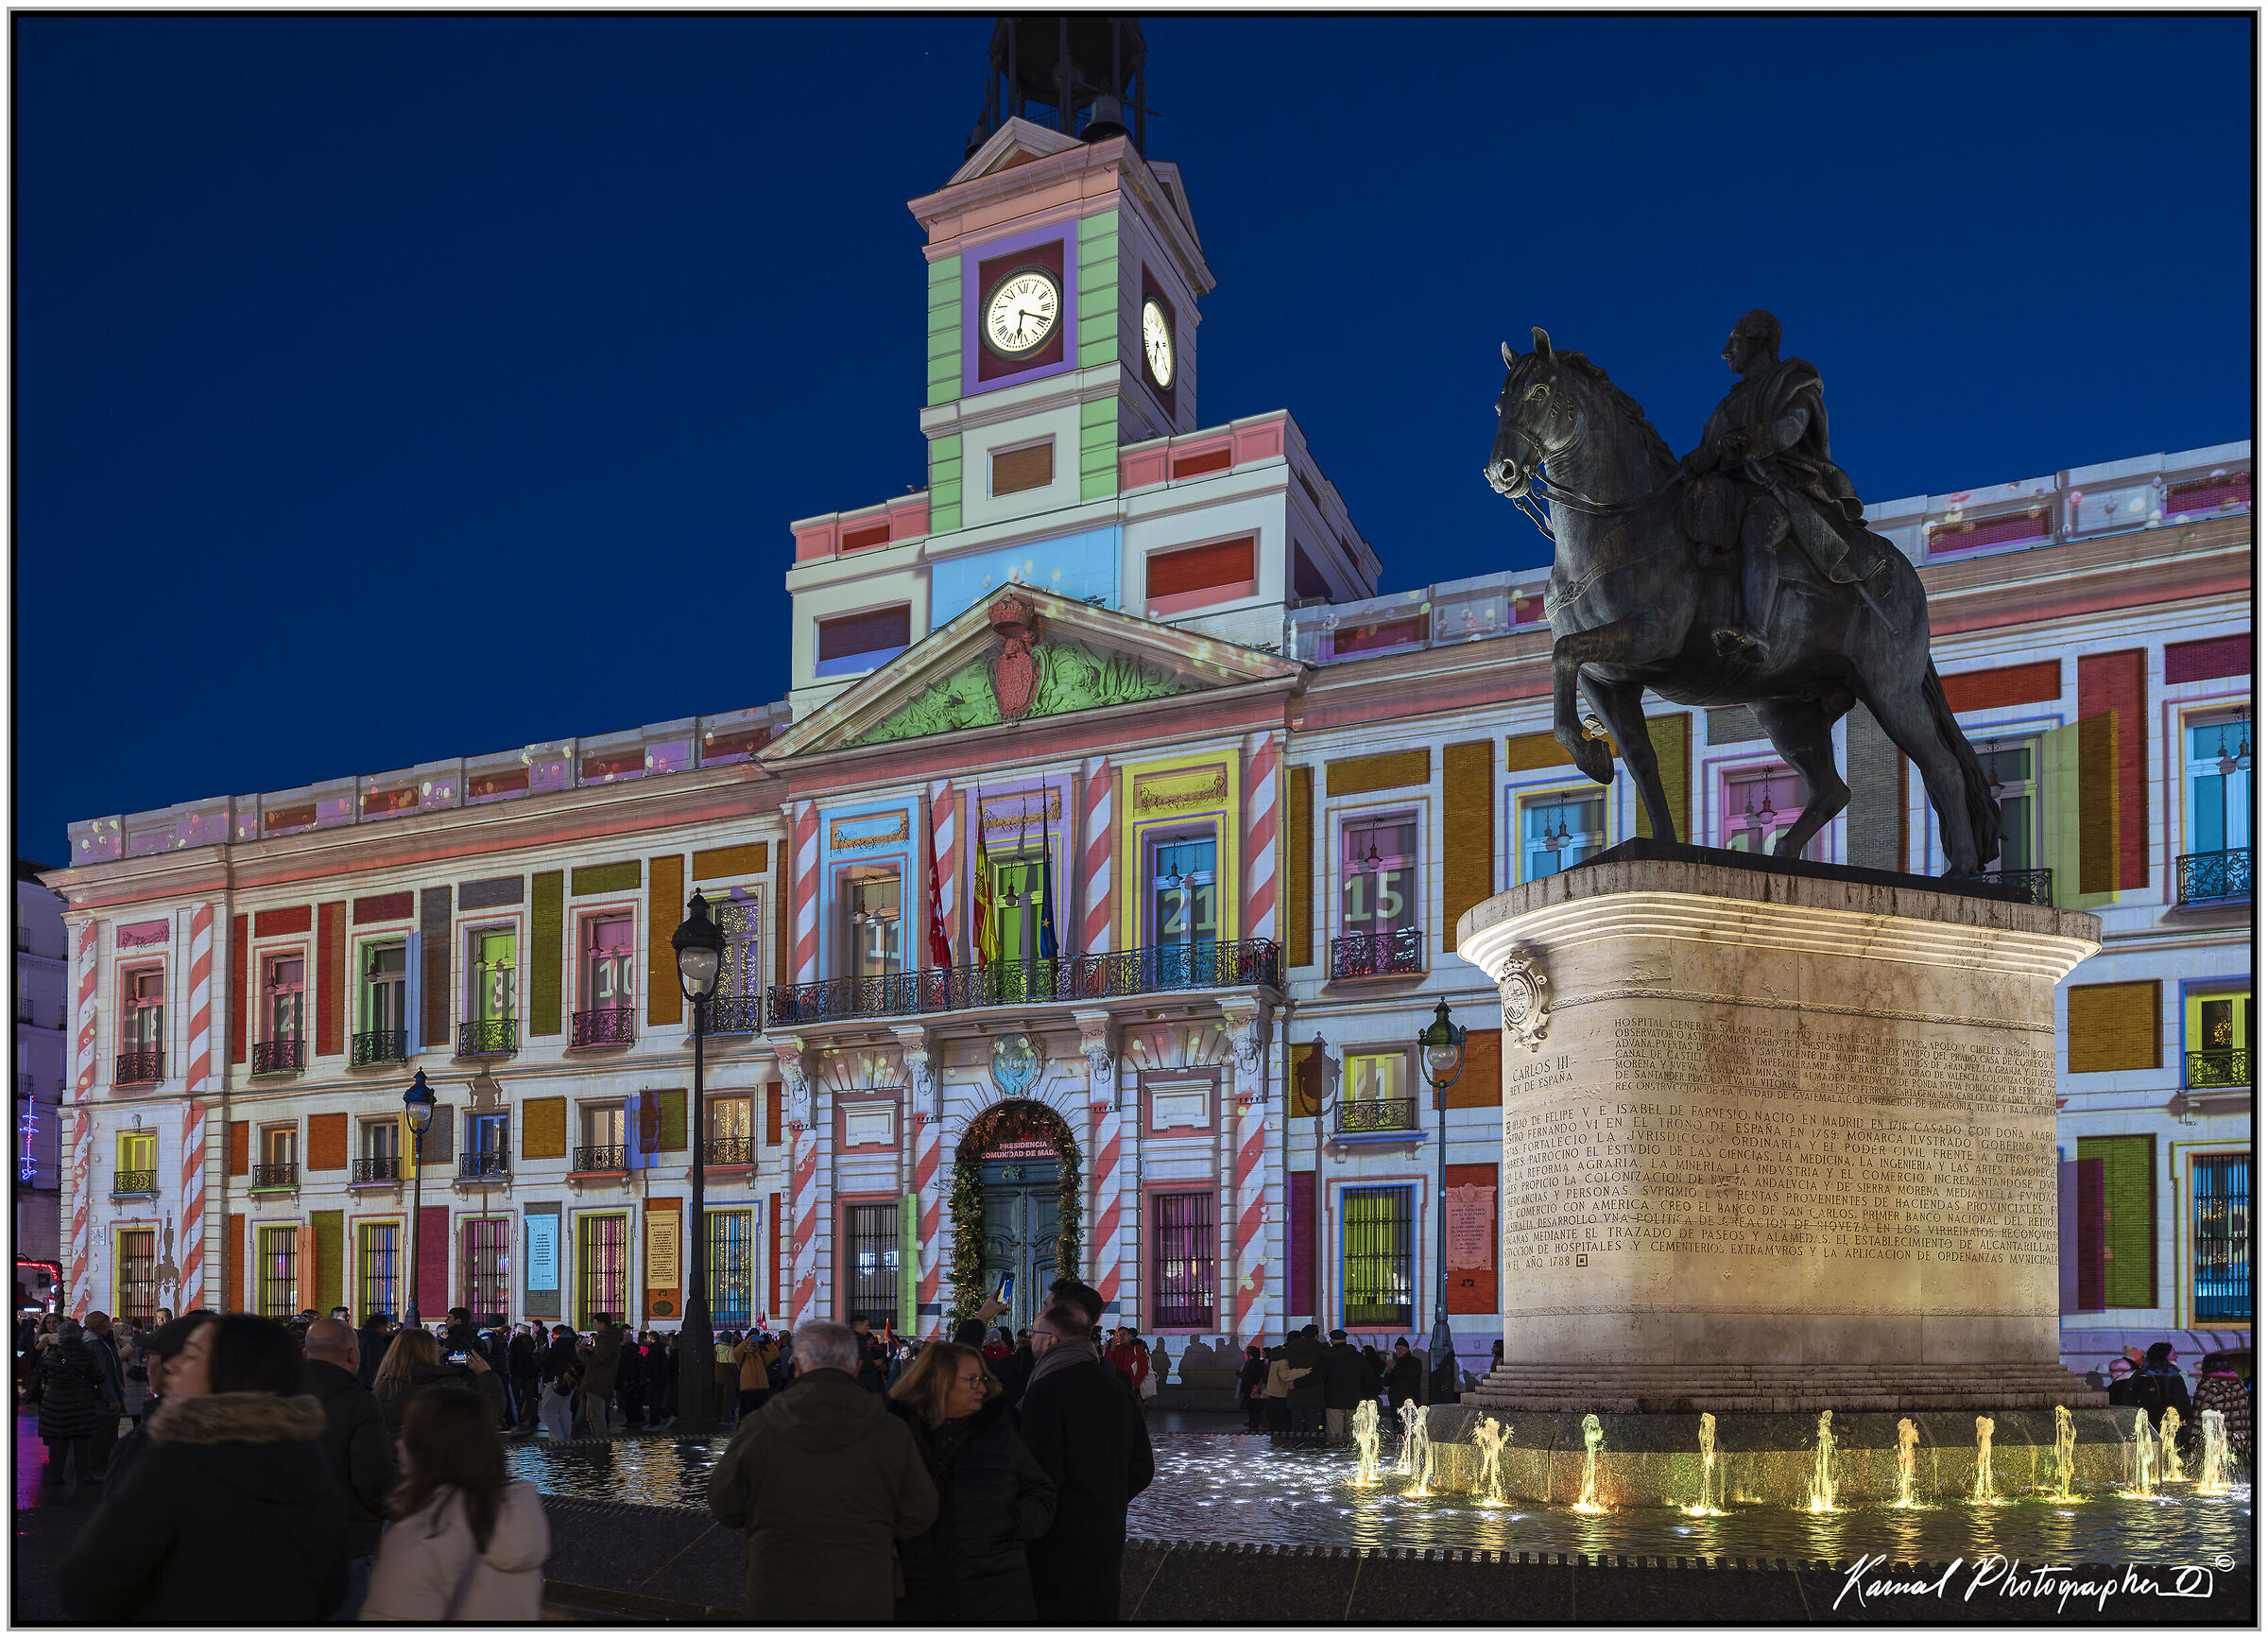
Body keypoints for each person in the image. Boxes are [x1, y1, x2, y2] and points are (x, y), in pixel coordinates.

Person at [55, 1313, 348, 1620]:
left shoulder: (176, 1460)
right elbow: (331, 1585)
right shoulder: (308, 1453)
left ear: (230, 1372)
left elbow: (87, 1582)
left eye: (192, 1356)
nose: (174, 1365)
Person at [1675, 307, 1881, 661]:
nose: (1726, 352)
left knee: (1757, 531)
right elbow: (1704, 451)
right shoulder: (1727, 404)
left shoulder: (1792, 381)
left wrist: (1757, 438)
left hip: (1777, 488)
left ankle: (1756, 632)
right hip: (1727, 491)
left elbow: (1793, 426)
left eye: (1733, 340)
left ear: (1757, 338)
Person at [705, 1319, 938, 1621]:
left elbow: (725, 1506)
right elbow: (920, 1512)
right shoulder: (890, 1431)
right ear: (855, 1368)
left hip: (777, 1591)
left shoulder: (759, 1427)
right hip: (864, 1591)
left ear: (798, 1366)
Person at [885, 1341, 1057, 1620]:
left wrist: (1016, 1520)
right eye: (972, 1379)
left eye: (984, 1379)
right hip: (918, 1594)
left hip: (998, 1594)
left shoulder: (1000, 1431)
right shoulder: (896, 1434)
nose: (981, 1387)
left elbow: (1042, 1491)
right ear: (939, 1381)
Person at [362, 1386, 550, 1620]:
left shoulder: (420, 1539)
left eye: (409, 1433)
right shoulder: (522, 1525)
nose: (400, 1443)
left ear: (427, 1448)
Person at [1017, 1302, 1155, 1620]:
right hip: (1106, 1534)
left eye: (1035, 1334)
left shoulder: (1044, 1392)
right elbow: (1143, 1467)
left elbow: (1040, 1474)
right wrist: (1108, 1501)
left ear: (1050, 1340)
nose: (1031, 1341)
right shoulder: (1117, 1387)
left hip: (1056, 1541)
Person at [302, 1317, 397, 1619]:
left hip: (286, 1535)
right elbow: (372, 1478)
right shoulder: (359, 1402)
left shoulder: (276, 1394)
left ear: (306, 1352)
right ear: (353, 1355)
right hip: (347, 1538)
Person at [373, 1325, 507, 1438]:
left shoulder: (382, 1388)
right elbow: (488, 1412)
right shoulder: (447, 1387)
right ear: (431, 1352)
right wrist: (486, 1374)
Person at [35, 1318, 105, 1491]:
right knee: (82, 1442)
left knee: (58, 1442)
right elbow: (98, 1376)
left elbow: (43, 1371)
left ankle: (55, 1476)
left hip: (54, 1402)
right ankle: (84, 1476)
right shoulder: (86, 1353)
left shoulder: (54, 1354)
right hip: (80, 1402)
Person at [81, 1310, 129, 1480]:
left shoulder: (99, 1341)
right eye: (107, 1321)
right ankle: (101, 1468)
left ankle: (103, 1466)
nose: (110, 1325)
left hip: (102, 1398)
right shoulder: (95, 1344)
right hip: (103, 1401)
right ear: (101, 1325)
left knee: (106, 1434)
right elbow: (103, 1374)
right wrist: (112, 1398)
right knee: (105, 1435)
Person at [2192, 1365, 2251, 1458]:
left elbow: (2198, 1419)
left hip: (2219, 1449)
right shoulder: (2241, 1386)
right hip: (2244, 1446)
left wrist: (2191, 1444)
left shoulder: (2209, 1387)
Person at [2128, 1341, 2194, 1423]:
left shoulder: (2139, 1374)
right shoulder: (2173, 1376)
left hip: (2142, 1422)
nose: (2177, 1357)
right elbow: (2183, 1404)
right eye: (2174, 1354)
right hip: (2166, 1424)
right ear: (2164, 1356)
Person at [579, 1317, 622, 1436]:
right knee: (591, 1416)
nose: (595, 1327)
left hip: (598, 1382)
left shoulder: (607, 1341)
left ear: (603, 1325)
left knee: (596, 1417)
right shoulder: (607, 1340)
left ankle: (600, 1447)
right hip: (598, 1381)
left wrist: (580, 1352)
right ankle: (597, 1443)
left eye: (596, 1324)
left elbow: (595, 1361)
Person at [1320, 1329, 1364, 1442]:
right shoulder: (1357, 1356)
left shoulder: (1326, 1357)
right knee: (1355, 1436)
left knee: (1335, 1437)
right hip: (1353, 1400)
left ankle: (1336, 1457)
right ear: (1345, 1340)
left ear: (1332, 1341)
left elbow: (1320, 1376)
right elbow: (1367, 1376)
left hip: (1333, 1400)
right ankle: (1355, 1457)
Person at [1284, 1324, 1326, 1433]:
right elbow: (1320, 1373)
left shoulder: (1291, 1348)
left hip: (1295, 1394)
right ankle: (1311, 1448)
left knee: (1296, 1427)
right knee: (1313, 1428)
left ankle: (1296, 1448)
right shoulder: (1321, 1349)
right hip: (1315, 1394)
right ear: (1316, 1336)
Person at [735, 1328, 776, 1418]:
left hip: (762, 1390)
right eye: (750, 1342)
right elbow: (736, 1352)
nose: (753, 1344)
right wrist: (747, 1340)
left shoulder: (761, 1355)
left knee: (761, 1415)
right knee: (745, 1414)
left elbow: (774, 1355)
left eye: (755, 1342)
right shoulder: (742, 1356)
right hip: (747, 1390)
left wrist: (769, 1343)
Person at [539, 1357, 583, 1440]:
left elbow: (546, 1361)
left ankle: (557, 1439)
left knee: (548, 1410)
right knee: (564, 1412)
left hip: (558, 1379)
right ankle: (564, 1439)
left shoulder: (560, 1345)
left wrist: (538, 1355)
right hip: (568, 1380)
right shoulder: (571, 1347)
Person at [507, 1323, 541, 1430]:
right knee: (530, 1396)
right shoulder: (531, 1342)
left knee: (516, 1397)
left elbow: (511, 1358)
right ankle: (534, 1417)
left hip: (517, 1373)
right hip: (529, 1374)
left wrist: (510, 1370)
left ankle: (517, 1418)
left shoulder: (514, 1342)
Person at [1104, 1326, 1150, 1403]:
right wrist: (1111, 1350)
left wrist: (1135, 1384)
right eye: (1120, 1335)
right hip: (1118, 1384)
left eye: (1124, 1334)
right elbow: (1110, 1365)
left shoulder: (1137, 1348)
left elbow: (1143, 1368)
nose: (1122, 1337)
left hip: (1131, 1385)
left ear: (1130, 1336)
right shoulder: (1117, 1349)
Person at [356, 1313, 395, 1390]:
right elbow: (374, 1366)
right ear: (380, 1326)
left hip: (357, 1382)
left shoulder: (360, 1335)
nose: (386, 1330)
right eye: (385, 1327)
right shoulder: (374, 1340)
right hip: (368, 1385)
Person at [1236, 1343, 1267, 1432]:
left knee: (1252, 1406)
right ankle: (1253, 1421)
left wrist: (1239, 1374)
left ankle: (1254, 1421)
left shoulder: (1251, 1363)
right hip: (1253, 1386)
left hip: (1251, 1387)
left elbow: (1248, 1376)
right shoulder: (1257, 1362)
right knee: (1253, 1406)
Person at [1385, 1337, 1423, 1410]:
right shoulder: (1396, 1363)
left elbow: (1410, 1374)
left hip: (1409, 1400)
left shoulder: (1415, 1361)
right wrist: (1389, 1372)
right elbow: (1386, 1382)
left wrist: (1394, 1367)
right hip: (1395, 1401)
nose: (1398, 1351)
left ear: (1407, 1349)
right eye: (1396, 1349)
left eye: (1401, 1348)